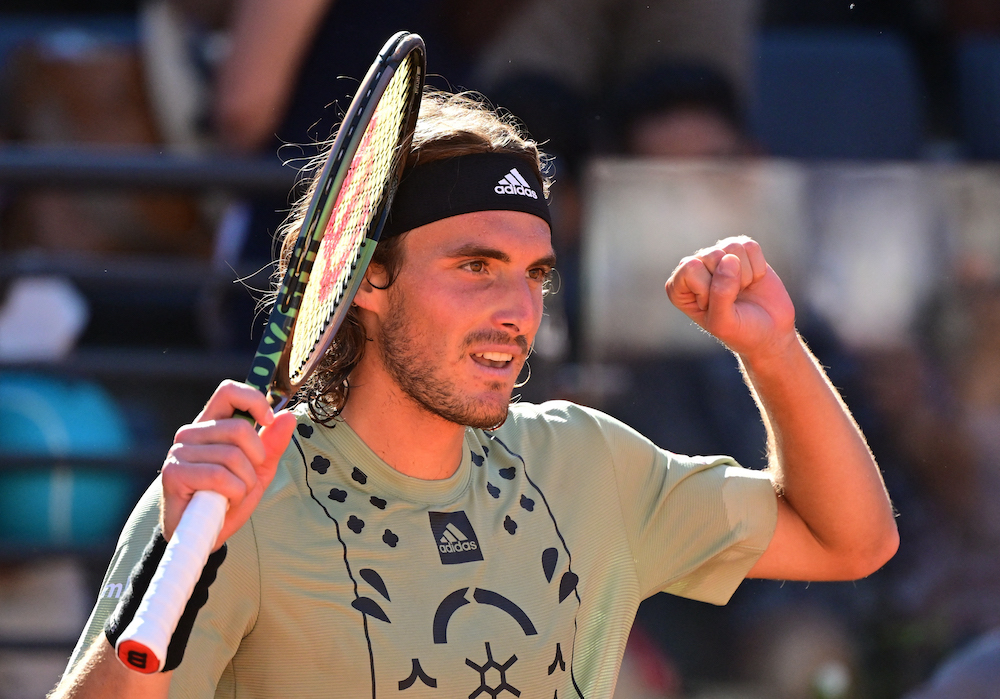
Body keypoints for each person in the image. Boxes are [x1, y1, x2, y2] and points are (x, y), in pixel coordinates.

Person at [51, 90, 898, 698]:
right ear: (365, 277)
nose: (518, 309)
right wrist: (178, 562)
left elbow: (852, 540)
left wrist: (773, 350)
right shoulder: (229, 501)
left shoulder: (587, 459)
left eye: (535, 274)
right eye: (476, 266)